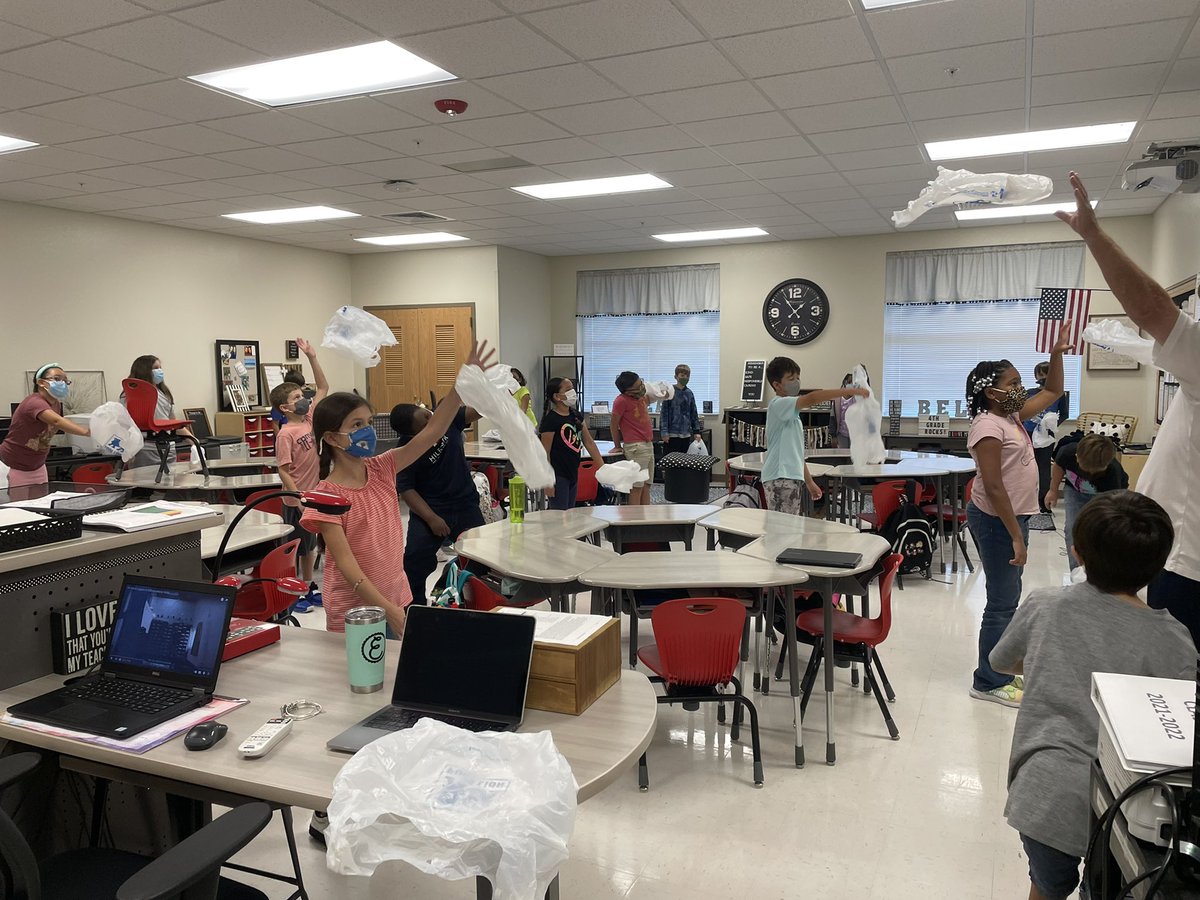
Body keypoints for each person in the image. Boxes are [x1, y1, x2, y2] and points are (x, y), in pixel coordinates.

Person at [990, 492, 1195, 900]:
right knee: (1107, 888)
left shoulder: (1045, 606)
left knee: (1047, 886)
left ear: (1077, 553)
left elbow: (1002, 661)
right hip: (1132, 807)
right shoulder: (1175, 640)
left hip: (1045, 790)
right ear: (1159, 567)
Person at [1056, 170, 1200, 645]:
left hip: (1183, 565)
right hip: (1171, 558)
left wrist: (1094, 237)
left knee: (1161, 687)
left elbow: (1152, 308)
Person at [301, 339, 495, 637]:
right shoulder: (327, 495)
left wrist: (461, 382)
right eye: (355, 425)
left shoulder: (382, 467)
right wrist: (386, 609)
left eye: (367, 421)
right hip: (357, 614)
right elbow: (347, 564)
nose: (365, 430)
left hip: (395, 598)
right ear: (331, 438)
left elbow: (433, 431)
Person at [964, 321, 1072, 708]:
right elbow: (994, 487)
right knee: (1000, 602)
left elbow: (1054, 390)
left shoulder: (1010, 416)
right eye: (1011, 383)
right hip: (995, 521)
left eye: (1019, 381)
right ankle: (988, 681)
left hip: (1013, 518)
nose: (1019, 388)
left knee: (1008, 598)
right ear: (991, 392)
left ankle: (1000, 670)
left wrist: (1057, 353)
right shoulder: (988, 426)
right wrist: (1014, 535)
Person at [390, 399, 483, 604]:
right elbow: (406, 489)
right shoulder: (406, 449)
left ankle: (452, 592)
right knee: (414, 561)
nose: (430, 423)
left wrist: (490, 396)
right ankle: (414, 608)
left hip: (465, 503)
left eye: (426, 416)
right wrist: (432, 519)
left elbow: (476, 412)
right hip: (430, 510)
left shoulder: (446, 420)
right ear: (412, 435)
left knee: (480, 557)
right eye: (423, 426)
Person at [761, 357, 867, 515]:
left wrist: (809, 482)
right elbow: (811, 398)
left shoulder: (792, 415)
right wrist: (848, 391)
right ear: (776, 385)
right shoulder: (778, 404)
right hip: (780, 478)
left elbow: (796, 453)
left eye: (798, 378)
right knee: (783, 530)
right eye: (791, 379)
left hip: (789, 477)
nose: (796, 382)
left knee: (788, 529)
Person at [270, 339, 328, 611]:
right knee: (297, 546)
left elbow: (323, 387)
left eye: (302, 395)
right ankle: (293, 591)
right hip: (296, 500)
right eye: (296, 398)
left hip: (313, 495)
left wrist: (312, 357)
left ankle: (308, 585)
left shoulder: (308, 420)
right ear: (285, 408)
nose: (302, 399)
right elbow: (283, 469)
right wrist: (297, 495)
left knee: (311, 544)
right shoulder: (285, 434)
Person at [1044, 432, 1128, 569]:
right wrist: (1053, 490)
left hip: (1105, 496)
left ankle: (1098, 571)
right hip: (1074, 492)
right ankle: (1076, 571)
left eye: (1096, 472)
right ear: (1077, 457)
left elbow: (1114, 503)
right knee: (1072, 529)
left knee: (1102, 531)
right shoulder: (1067, 452)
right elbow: (1058, 466)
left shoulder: (1113, 473)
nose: (1090, 474)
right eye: (1086, 469)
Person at [0, 364, 90, 488]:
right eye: (57, 379)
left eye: (65, 381)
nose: (62, 383)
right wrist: (87, 431)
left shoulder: (56, 404)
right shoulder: (34, 402)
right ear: (41, 383)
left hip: (37, 464)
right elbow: (56, 422)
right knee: (17, 505)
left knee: (40, 502)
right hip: (14, 464)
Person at [540, 376, 605, 510]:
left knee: (570, 513)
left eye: (573, 389)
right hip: (557, 474)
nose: (573, 392)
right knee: (558, 514)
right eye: (568, 389)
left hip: (573, 471)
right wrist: (547, 481)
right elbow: (544, 451)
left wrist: (603, 467)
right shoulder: (551, 420)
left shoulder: (575, 415)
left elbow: (589, 442)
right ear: (557, 396)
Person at [120, 355, 194, 471]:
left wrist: (194, 441)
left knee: (167, 484)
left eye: (160, 367)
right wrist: (129, 450)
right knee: (145, 485)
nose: (160, 371)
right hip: (145, 450)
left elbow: (172, 423)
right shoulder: (130, 396)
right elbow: (125, 424)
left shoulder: (164, 393)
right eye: (156, 368)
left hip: (167, 448)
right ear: (145, 371)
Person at [1023, 361, 1069, 517]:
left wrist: (1051, 425)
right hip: (1027, 433)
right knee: (1027, 466)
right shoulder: (1029, 393)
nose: (1042, 377)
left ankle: (1043, 502)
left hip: (1046, 436)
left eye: (1046, 374)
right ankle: (1027, 500)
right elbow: (1020, 413)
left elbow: (1064, 414)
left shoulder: (1059, 394)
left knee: (1043, 467)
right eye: (1040, 374)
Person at [610, 370, 655, 506]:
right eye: (638, 385)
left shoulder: (640, 398)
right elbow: (614, 425)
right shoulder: (621, 401)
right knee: (637, 487)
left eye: (641, 383)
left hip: (647, 444)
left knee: (647, 484)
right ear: (628, 390)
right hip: (636, 446)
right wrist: (617, 445)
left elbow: (654, 396)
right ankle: (634, 520)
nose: (641, 387)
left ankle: (645, 518)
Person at [658, 363, 702, 455]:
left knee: (684, 461)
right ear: (676, 376)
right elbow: (664, 414)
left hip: (686, 434)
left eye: (687, 376)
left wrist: (696, 431)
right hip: (671, 435)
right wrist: (664, 432)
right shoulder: (669, 392)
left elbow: (693, 413)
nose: (685, 378)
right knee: (671, 461)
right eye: (682, 375)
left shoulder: (689, 393)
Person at [829, 373, 856, 449]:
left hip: (855, 435)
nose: (852, 384)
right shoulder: (837, 400)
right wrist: (833, 436)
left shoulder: (858, 399)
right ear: (845, 383)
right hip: (841, 434)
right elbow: (832, 418)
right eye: (850, 382)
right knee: (842, 455)